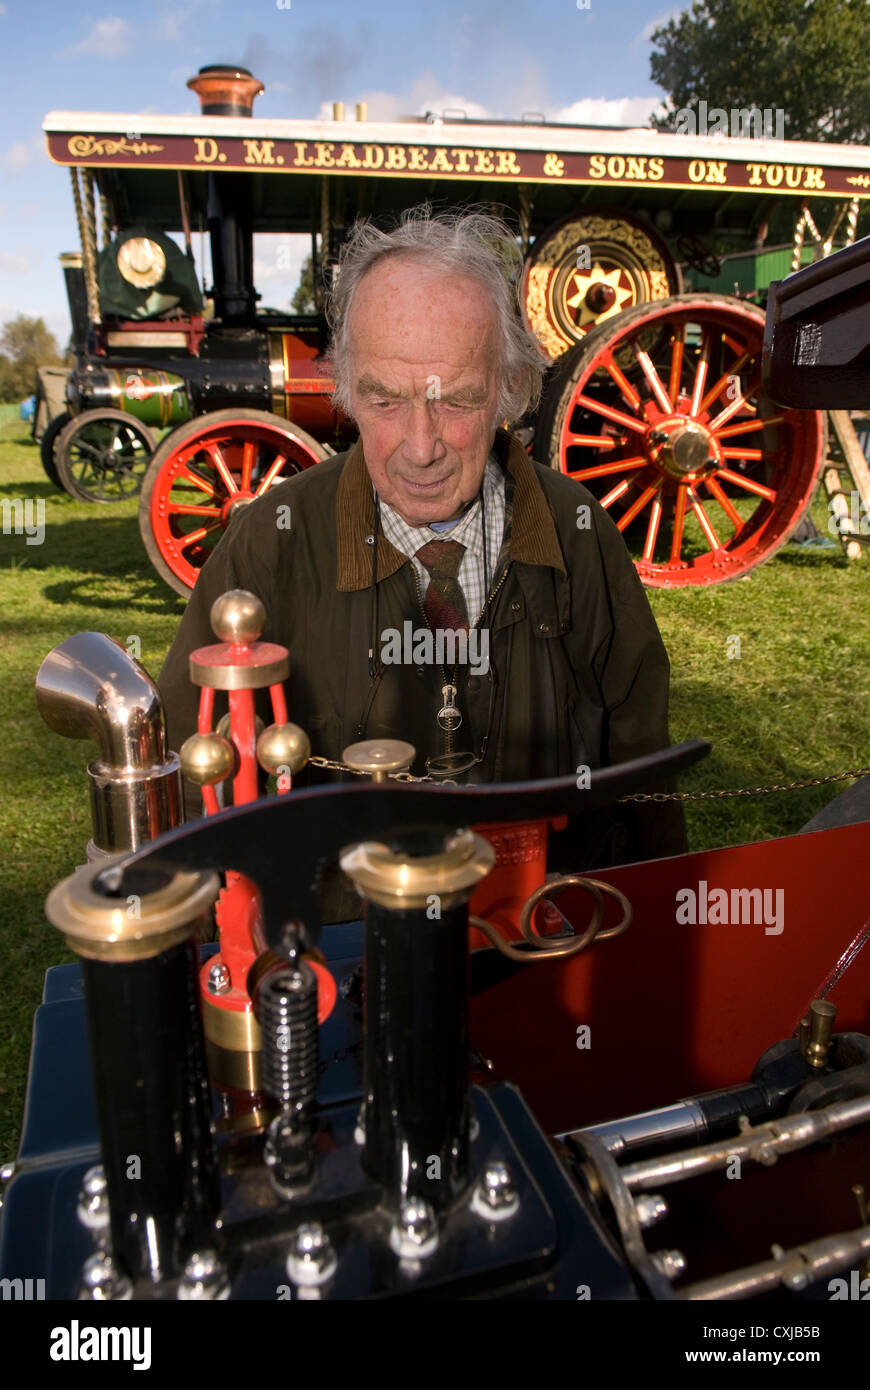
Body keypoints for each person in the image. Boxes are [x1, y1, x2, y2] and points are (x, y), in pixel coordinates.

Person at [157, 207, 686, 920]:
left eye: (458, 400)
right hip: (344, 967)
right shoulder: (268, 545)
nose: (421, 447)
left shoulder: (579, 533)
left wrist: (655, 936)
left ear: (509, 386)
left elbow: (643, 775)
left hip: (546, 947)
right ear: (344, 388)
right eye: (384, 399)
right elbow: (192, 787)